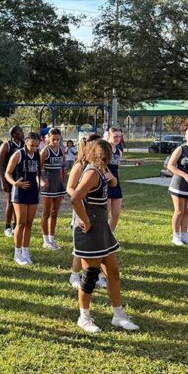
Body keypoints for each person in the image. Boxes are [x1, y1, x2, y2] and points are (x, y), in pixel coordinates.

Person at [69, 139, 139, 333]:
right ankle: (84, 317)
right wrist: (86, 220)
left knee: (113, 272)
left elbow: (112, 184)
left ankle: (118, 315)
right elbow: (74, 198)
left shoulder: (101, 171)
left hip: (102, 228)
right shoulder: (92, 172)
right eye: (105, 157)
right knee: (90, 276)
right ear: (97, 156)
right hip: (90, 230)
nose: (108, 160)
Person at [66, 134, 107, 290]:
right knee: (81, 246)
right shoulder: (81, 166)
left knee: (98, 245)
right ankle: (75, 274)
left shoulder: (98, 165)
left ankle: (95, 275)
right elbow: (70, 188)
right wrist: (81, 196)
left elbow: (111, 182)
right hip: (83, 210)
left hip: (97, 212)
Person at [5, 132, 41, 265]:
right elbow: (7, 173)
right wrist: (15, 183)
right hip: (20, 191)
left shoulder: (37, 154)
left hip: (33, 191)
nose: (34, 148)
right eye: (32, 145)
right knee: (20, 223)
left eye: (37, 146)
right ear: (26, 142)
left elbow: (37, 172)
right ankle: (17, 253)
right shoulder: (18, 154)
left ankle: (26, 251)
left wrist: (41, 181)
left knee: (29, 223)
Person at [167, 126, 188, 246]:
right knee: (179, 211)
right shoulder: (181, 149)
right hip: (179, 184)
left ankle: (184, 235)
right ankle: (175, 235)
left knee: (187, 211)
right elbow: (170, 165)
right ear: (185, 137)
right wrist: (184, 175)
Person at [40, 128, 66, 250]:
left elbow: (62, 166)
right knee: (46, 213)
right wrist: (41, 181)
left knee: (55, 213)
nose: (55, 142)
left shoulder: (61, 150)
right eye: (53, 139)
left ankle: (52, 239)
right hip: (48, 184)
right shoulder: (45, 151)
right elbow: (37, 168)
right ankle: (45, 241)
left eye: (58, 139)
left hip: (58, 184)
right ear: (48, 138)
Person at [0, 126, 24, 237]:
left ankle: (15, 225)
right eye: (20, 131)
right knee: (10, 202)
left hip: (20, 177)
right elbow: (0, 165)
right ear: (14, 134)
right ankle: (7, 227)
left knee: (19, 202)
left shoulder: (24, 144)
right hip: (9, 177)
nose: (22, 133)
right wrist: (2, 181)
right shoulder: (6, 145)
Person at [106, 127, 124, 232]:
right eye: (115, 136)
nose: (118, 139)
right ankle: (102, 235)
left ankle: (110, 234)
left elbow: (117, 168)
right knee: (105, 213)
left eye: (119, 136)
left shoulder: (119, 151)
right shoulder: (104, 149)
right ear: (109, 135)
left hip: (116, 183)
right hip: (106, 183)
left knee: (116, 214)